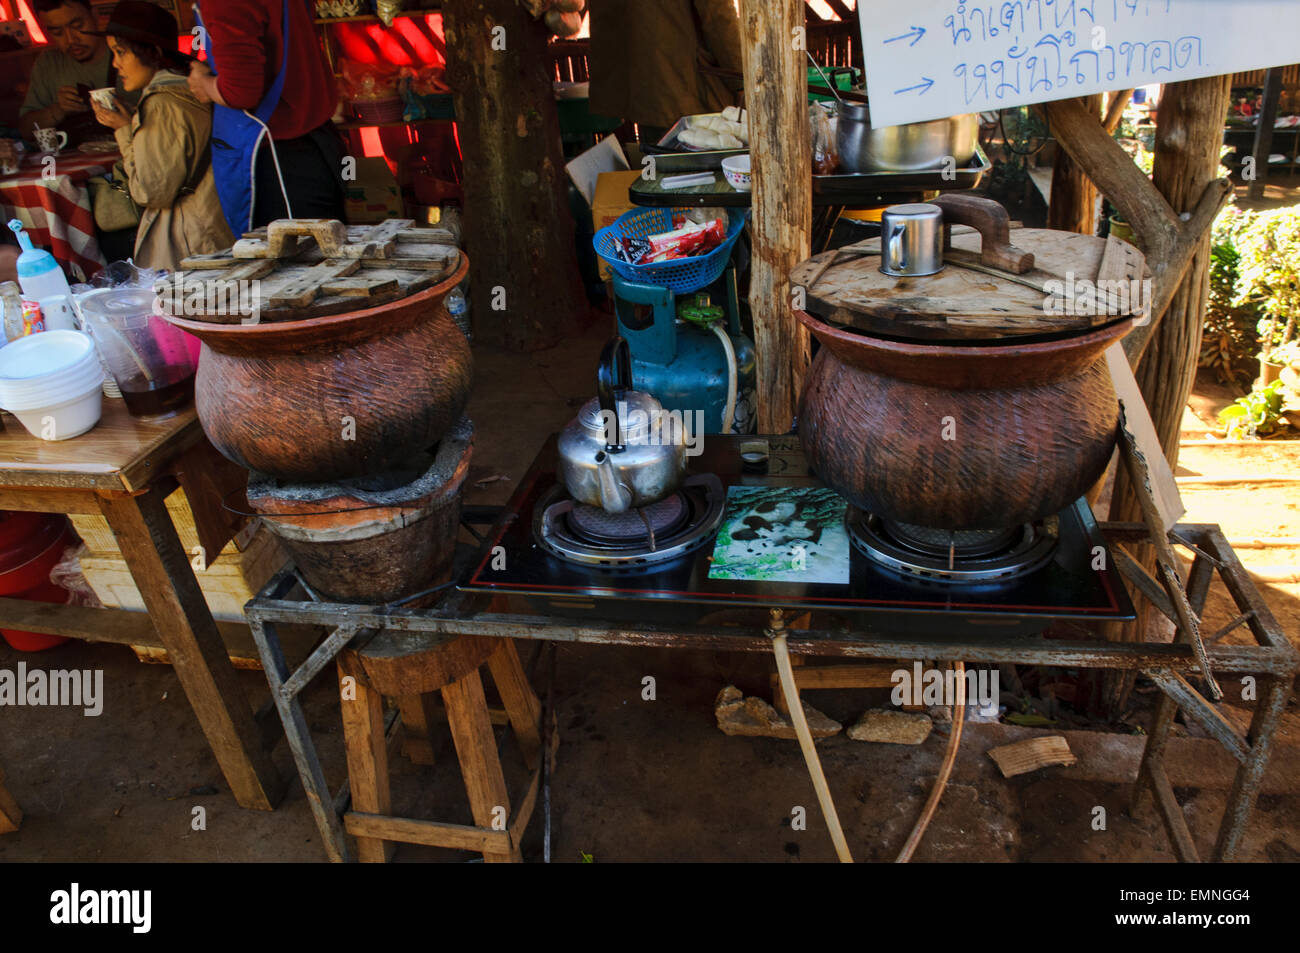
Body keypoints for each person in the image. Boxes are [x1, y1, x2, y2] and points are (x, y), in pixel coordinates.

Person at [90, 1, 233, 272]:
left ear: (152, 52)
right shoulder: (187, 88)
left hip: (191, 238)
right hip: (212, 223)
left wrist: (124, 131)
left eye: (121, 52)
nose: (116, 64)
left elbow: (150, 191)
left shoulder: (161, 104)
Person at [186, 0, 344, 232]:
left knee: (299, 252)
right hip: (316, 141)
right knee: (322, 246)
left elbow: (240, 92)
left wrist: (205, 85)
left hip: (282, 160)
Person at [587, 0, 744, 144]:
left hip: (642, 88)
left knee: (655, 160)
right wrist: (743, 79)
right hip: (686, 89)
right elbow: (719, 19)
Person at [19, 0, 136, 144]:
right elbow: (26, 130)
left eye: (77, 26)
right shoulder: (49, 63)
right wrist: (58, 110)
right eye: (57, 32)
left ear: (95, 16)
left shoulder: (128, 52)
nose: (70, 40)